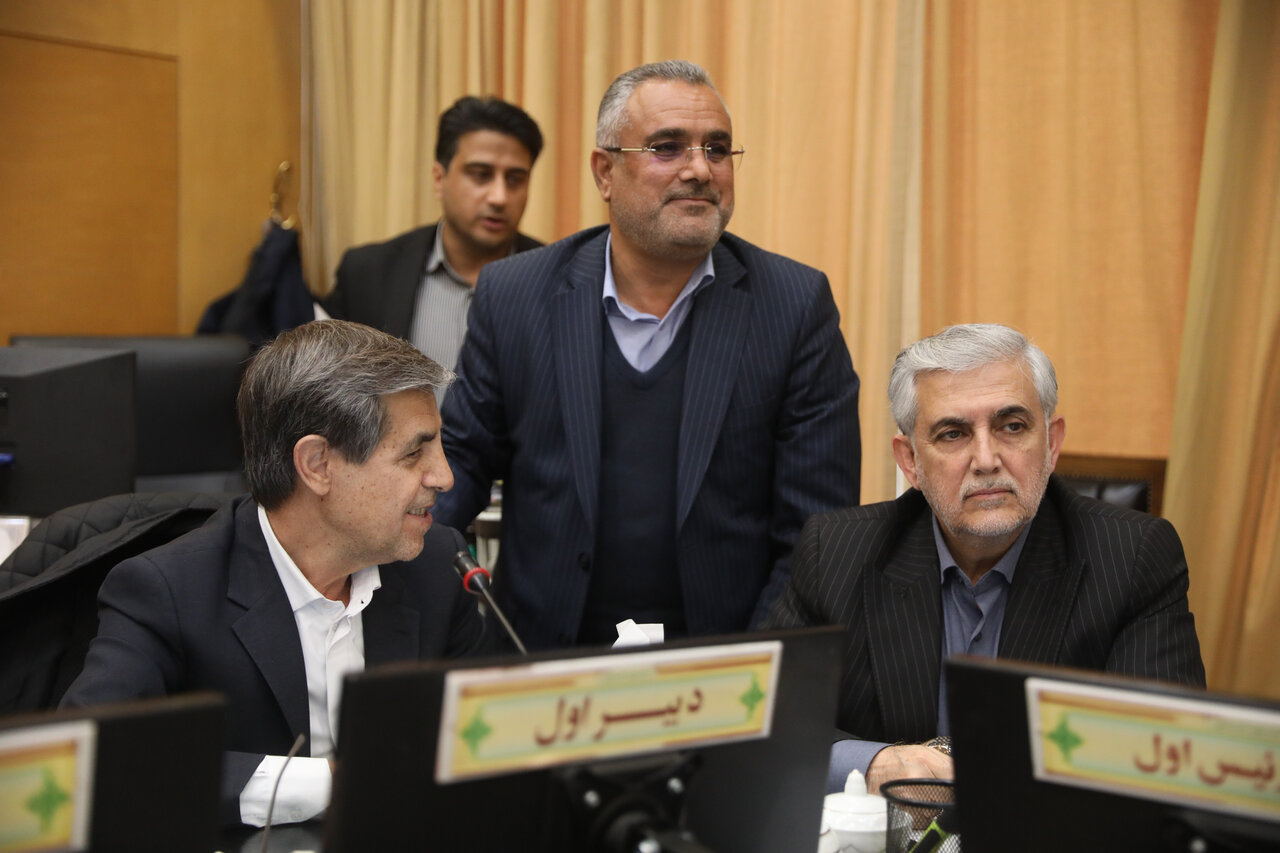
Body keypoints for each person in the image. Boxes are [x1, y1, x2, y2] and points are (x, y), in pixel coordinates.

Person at [435, 60, 861, 650]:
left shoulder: (793, 306)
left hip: (723, 668)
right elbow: (454, 467)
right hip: (541, 660)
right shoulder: (516, 295)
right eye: (667, 148)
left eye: (718, 149)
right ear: (605, 172)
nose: (700, 169)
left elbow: (815, 534)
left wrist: (747, 672)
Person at [62, 320, 494, 827]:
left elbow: (484, 738)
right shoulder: (168, 591)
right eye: (414, 452)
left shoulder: (437, 565)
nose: (444, 476)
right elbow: (91, 761)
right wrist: (331, 784)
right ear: (317, 465)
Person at [763, 323, 1205, 794]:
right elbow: (767, 719)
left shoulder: (1133, 557)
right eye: (952, 434)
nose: (986, 459)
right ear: (910, 462)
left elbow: (1166, 752)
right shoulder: (835, 552)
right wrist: (873, 765)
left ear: (1051, 444)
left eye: (1011, 426)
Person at [325, 96, 544, 378]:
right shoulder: (368, 275)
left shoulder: (558, 280)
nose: (499, 197)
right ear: (439, 179)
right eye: (481, 175)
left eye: (515, 179)